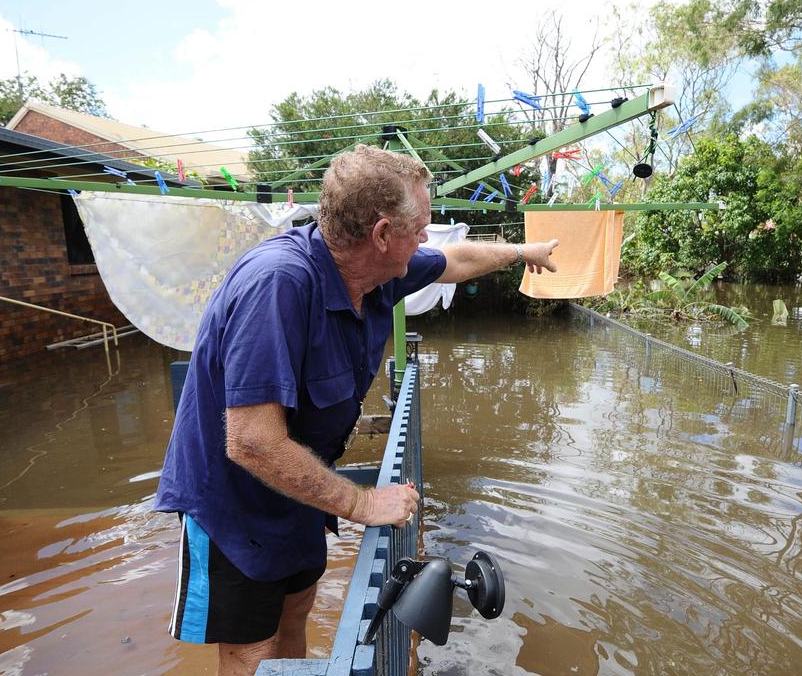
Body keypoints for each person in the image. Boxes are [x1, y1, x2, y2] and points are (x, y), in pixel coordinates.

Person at [154, 144, 558, 676]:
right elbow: (250, 440)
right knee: (252, 649)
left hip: (297, 482)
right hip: (232, 501)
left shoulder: (379, 273)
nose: (425, 241)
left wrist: (524, 252)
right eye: (420, 228)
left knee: (296, 610)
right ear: (383, 234)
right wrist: (362, 504)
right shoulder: (278, 283)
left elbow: (455, 261)